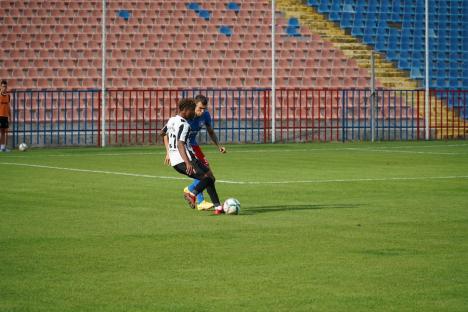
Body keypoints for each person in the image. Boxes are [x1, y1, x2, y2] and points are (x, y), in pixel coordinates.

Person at [160, 98, 225, 215]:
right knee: (207, 177)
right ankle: (192, 194)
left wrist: (171, 149)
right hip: (186, 156)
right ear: (187, 110)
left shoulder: (172, 120)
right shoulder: (185, 124)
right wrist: (187, 162)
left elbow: (162, 132)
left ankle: (218, 207)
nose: (197, 112)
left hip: (180, 158)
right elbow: (180, 144)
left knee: (210, 177)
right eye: (195, 109)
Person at [182, 94, 226, 210]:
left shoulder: (205, 115)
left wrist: (218, 145)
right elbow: (171, 132)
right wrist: (169, 152)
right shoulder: (187, 116)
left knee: (209, 174)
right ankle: (199, 200)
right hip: (184, 147)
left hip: (194, 146)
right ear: (194, 106)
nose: (202, 111)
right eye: (199, 108)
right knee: (204, 174)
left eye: (204, 109)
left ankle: (192, 190)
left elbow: (210, 131)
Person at [0, 80, 11, 152]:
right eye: (3, 86)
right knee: (1, 132)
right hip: (0, 115)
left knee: (4, 132)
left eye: (5, 86)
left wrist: (10, 116)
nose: (4, 88)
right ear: (0, 87)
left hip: (5, 116)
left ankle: (3, 147)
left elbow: (8, 106)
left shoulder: (8, 96)